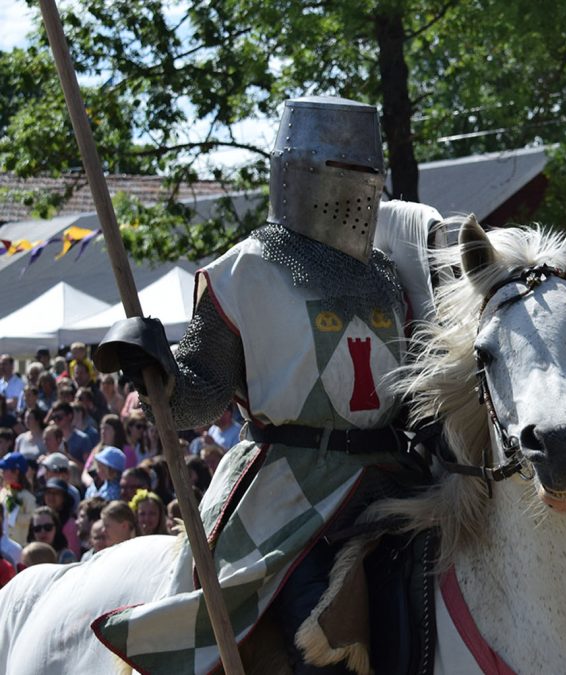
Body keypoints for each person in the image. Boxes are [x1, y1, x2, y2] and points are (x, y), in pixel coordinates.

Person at [94, 96, 446, 673]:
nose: (352, 191)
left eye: (363, 175)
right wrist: (158, 370)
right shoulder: (246, 272)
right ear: (297, 176)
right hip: (290, 494)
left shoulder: (387, 276)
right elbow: (199, 394)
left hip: (394, 478)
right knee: (316, 634)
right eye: (340, 173)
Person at [0, 452, 35, 546]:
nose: (2, 472)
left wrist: (15, 516)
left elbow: (33, 519)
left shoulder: (28, 497)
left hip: (20, 545)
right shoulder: (3, 493)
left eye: (5, 469)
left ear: (16, 472)